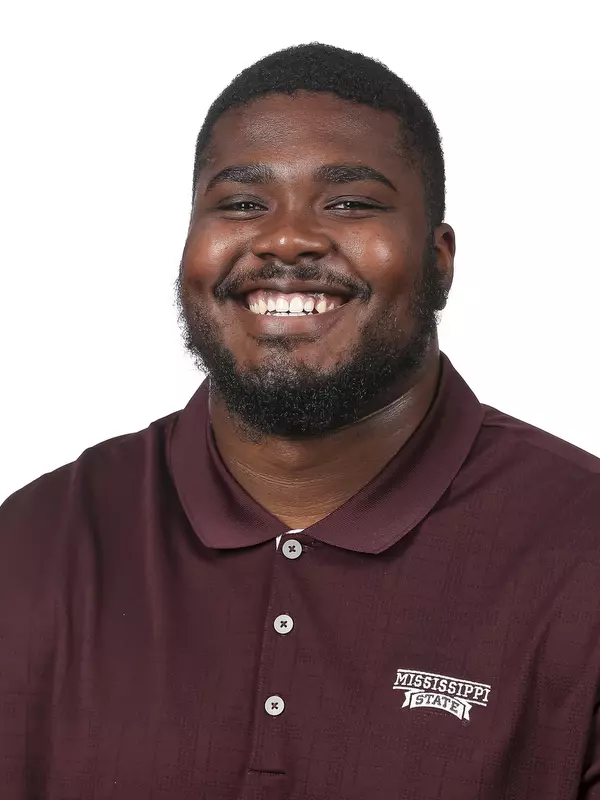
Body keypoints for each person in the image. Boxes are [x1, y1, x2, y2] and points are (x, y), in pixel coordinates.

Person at [1, 41, 599, 800]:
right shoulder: (37, 541)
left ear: (441, 260)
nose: (285, 239)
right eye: (242, 204)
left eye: (350, 203)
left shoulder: (582, 547)